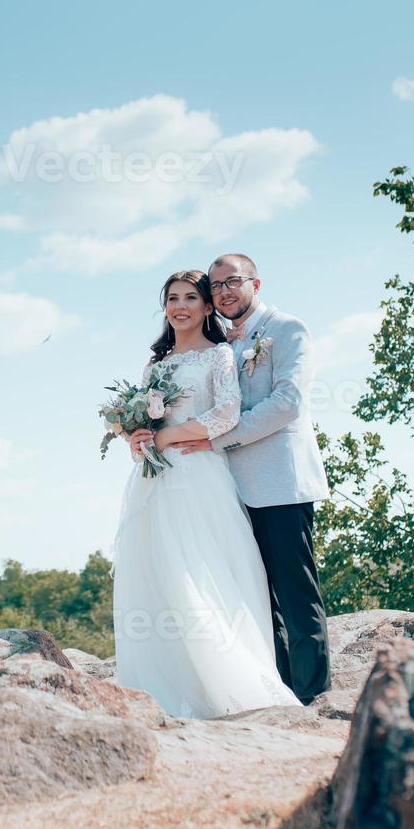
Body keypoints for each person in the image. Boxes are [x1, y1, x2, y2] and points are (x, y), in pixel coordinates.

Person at [112, 270, 301, 718]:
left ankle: (225, 679)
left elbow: (227, 413)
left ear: (206, 306)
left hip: (200, 474)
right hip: (154, 480)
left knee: (199, 568)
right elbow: (145, 428)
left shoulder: (219, 356)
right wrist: (136, 437)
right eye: (172, 298)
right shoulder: (154, 366)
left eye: (190, 298)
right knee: (156, 572)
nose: (180, 306)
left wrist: (168, 436)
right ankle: (165, 682)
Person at [164, 253, 332, 704]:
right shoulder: (223, 342)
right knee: (255, 598)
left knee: (297, 598)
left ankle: (315, 699)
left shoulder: (286, 330)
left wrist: (217, 442)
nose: (223, 292)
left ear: (256, 283)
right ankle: (275, 692)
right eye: (215, 286)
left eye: (232, 282)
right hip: (228, 489)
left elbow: (287, 404)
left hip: (279, 482)